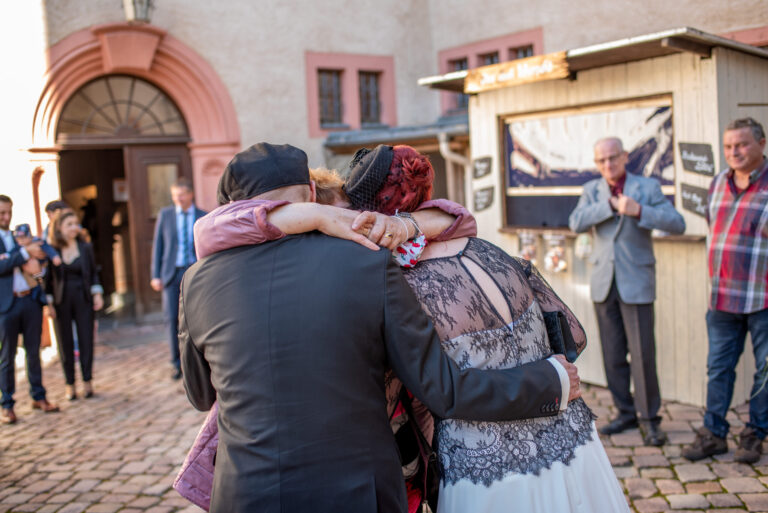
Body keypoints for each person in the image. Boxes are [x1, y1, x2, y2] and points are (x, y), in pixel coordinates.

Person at [182, 144, 627, 513]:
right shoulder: (365, 263)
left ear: (233, 210)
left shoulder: (197, 280)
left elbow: (201, 394)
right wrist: (550, 380)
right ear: (313, 192)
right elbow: (441, 387)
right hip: (359, 492)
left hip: (245, 494)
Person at [569, 136, 686, 446]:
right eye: (601, 160)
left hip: (637, 281)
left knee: (643, 354)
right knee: (612, 354)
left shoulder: (647, 187)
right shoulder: (592, 191)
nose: (608, 164)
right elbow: (575, 222)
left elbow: (677, 223)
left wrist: (639, 210)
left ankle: (649, 419)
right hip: (604, 282)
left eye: (613, 157)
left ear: (624, 156)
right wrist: (608, 205)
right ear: (597, 163)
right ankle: (625, 412)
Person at [682, 117, 768, 464]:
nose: (734, 152)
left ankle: (754, 435)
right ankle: (713, 434)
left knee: (765, 371)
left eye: (742, 144)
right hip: (722, 298)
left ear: (761, 144)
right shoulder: (718, 182)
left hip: (763, 298)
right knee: (718, 369)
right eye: (729, 146)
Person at [0, 195, 59, 424]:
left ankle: (38, 396)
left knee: (34, 351)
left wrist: (37, 269)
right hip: (6, 305)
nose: (6, 217)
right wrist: (24, 254)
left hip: (30, 301)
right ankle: (7, 404)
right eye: (2, 213)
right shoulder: (23, 246)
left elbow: (40, 260)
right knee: (7, 356)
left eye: (8, 212)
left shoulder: (21, 236)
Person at [150, 178, 206, 380]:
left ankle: (199, 362)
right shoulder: (165, 215)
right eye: (175, 196)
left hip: (195, 274)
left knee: (197, 318)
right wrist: (155, 275)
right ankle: (176, 363)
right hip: (171, 274)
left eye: (181, 195)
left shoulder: (203, 216)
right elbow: (158, 246)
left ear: (190, 194)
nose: (178, 199)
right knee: (171, 318)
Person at [44, 210, 104, 400]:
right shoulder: (52, 250)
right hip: (61, 300)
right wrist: (48, 303)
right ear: (59, 228)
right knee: (65, 342)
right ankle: (69, 383)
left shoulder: (85, 247)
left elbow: (93, 273)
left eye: (75, 224)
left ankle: (87, 380)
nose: (74, 228)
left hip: (83, 297)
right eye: (69, 224)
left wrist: (97, 293)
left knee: (86, 339)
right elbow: (47, 280)